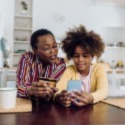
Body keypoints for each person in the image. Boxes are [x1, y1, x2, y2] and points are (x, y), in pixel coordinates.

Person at [54, 25, 108, 107]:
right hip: (73, 113)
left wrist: (90, 98)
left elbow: (103, 91)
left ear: (92, 56)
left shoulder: (99, 69)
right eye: (76, 56)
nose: (80, 60)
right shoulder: (70, 70)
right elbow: (58, 89)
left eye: (85, 56)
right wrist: (59, 97)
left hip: (94, 111)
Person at [16, 29, 66, 101]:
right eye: (46, 48)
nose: (53, 51)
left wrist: (47, 92)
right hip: (26, 105)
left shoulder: (61, 64)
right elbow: (20, 86)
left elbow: (51, 91)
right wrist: (29, 91)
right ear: (35, 50)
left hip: (48, 108)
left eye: (54, 46)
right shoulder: (27, 58)